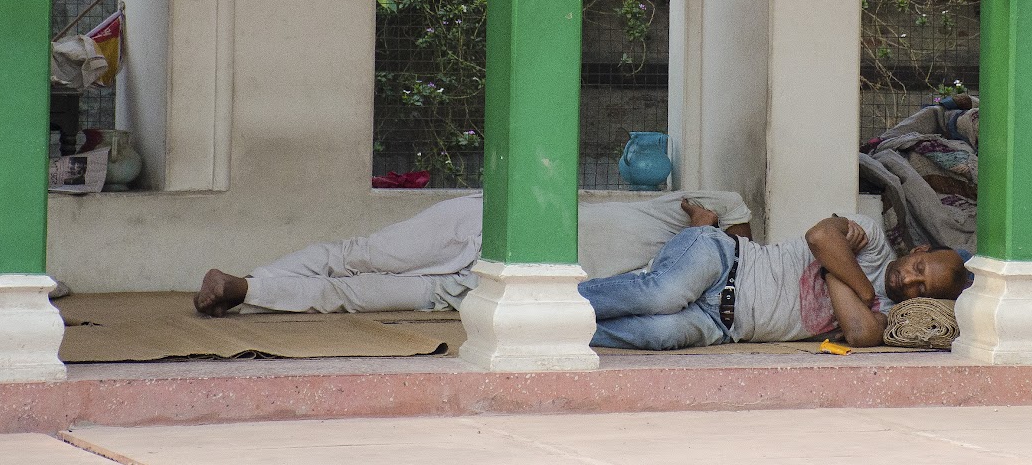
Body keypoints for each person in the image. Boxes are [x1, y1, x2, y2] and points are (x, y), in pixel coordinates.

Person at [194, 190, 752, 316]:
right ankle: (245, 281)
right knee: (361, 255)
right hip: (486, 220)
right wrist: (711, 230)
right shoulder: (704, 211)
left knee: (354, 296)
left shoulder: (677, 281)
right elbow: (734, 222)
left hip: (486, 283)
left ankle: (245, 288)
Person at [579, 207, 970, 350]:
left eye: (921, 289)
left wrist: (837, 269)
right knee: (662, 294)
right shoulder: (869, 238)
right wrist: (861, 286)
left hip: (720, 326)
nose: (909, 283)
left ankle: (561, 327)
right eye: (918, 270)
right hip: (723, 259)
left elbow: (860, 333)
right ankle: (547, 303)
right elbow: (819, 237)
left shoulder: (886, 314)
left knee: (659, 335)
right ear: (918, 251)